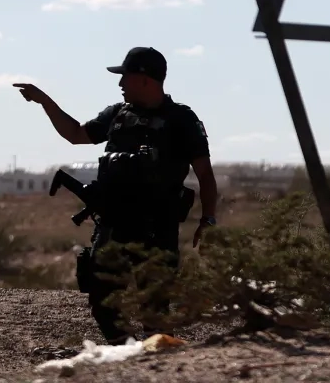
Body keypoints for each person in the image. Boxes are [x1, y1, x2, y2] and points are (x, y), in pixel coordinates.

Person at [13, 46, 219, 344]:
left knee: (155, 306)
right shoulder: (117, 115)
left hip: (156, 228)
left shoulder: (181, 120)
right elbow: (76, 135)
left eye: (126, 77)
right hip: (114, 225)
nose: (120, 84)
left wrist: (208, 219)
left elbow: (205, 175)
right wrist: (44, 101)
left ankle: (158, 362)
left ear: (146, 80)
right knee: (104, 301)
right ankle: (125, 354)